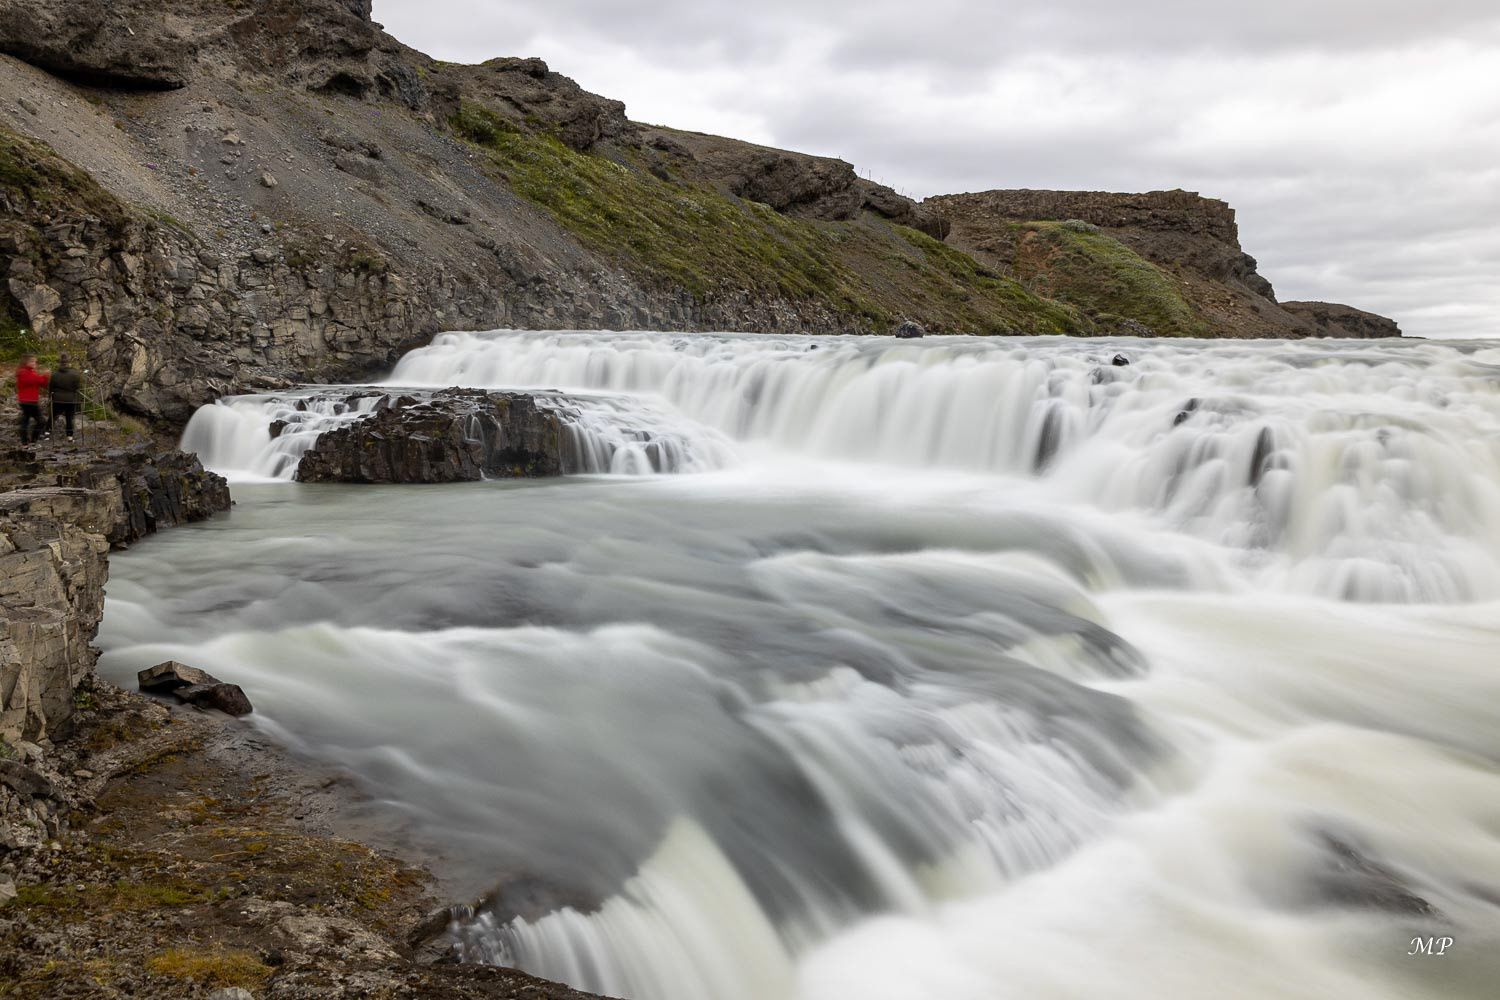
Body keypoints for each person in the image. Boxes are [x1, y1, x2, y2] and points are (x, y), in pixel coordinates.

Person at [15, 353, 49, 445]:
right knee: (40, 421)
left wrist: (45, 377)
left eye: (35, 361)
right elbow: (36, 380)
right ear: (26, 362)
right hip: (29, 401)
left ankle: (27, 443)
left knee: (26, 421)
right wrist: (45, 376)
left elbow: (42, 383)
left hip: (27, 400)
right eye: (32, 361)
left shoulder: (27, 371)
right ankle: (30, 442)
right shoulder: (24, 372)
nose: (34, 363)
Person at [49, 353, 83, 442]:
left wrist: (51, 396)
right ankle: (70, 437)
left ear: (60, 362)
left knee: (53, 416)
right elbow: (77, 386)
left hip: (57, 398)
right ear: (69, 362)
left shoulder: (55, 374)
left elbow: (51, 387)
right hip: (70, 399)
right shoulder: (74, 374)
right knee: (69, 418)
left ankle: (46, 433)